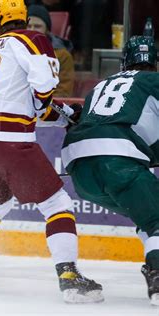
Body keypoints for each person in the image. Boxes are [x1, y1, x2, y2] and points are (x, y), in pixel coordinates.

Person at [0, 0, 103, 304]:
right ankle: (69, 275)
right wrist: (57, 109)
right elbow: (43, 87)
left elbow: (25, 99)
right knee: (57, 203)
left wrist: (59, 114)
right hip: (7, 137)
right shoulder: (33, 38)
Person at [61, 35, 159, 304]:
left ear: (124, 61)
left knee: (146, 213)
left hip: (80, 168)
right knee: (157, 220)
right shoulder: (154, 81)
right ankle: (158, 273)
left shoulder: (100, 86)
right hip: (119, 162)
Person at [27, 4, 74, 97]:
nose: (32, 30)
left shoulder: (62, 55)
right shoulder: (15, 51)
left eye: (37, 26)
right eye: (28, 26)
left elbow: (63, 93)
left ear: (47, 30)